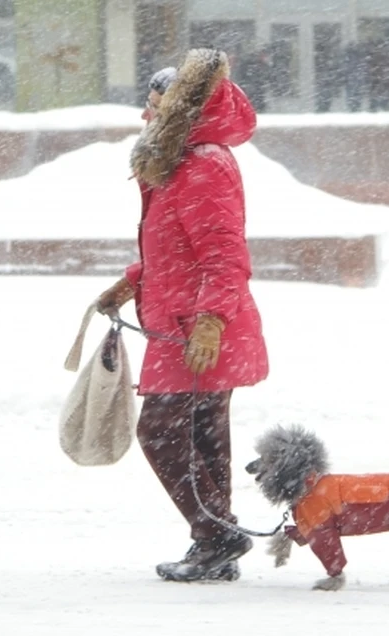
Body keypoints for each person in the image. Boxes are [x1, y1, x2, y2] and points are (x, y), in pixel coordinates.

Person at [95, 49, 269, 583]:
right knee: (201, 435)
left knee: (163, 431)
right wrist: (131, 282)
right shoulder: (180, 160)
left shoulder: (204, 165)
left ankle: (216, 533)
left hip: (198, 330)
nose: (146, 116)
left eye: (154, 107)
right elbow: (175, 248)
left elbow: (223, 255)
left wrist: (211, 323)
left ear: (182, 109)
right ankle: (214, 538)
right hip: (185, 323)